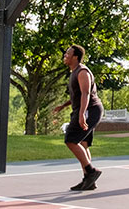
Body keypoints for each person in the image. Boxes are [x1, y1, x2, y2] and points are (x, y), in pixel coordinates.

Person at [51, 45, 104, 191]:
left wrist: (81, 114)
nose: (65, 56)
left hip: (90, 110)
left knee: (71, 140)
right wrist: (63, 105)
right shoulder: (74, 72)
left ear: (75, 57)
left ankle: (91, 172)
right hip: (86, 109)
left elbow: (86, 94)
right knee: (83, 144)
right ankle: (88, 180)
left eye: (67, 53)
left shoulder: (82, 72)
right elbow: (78, 95)